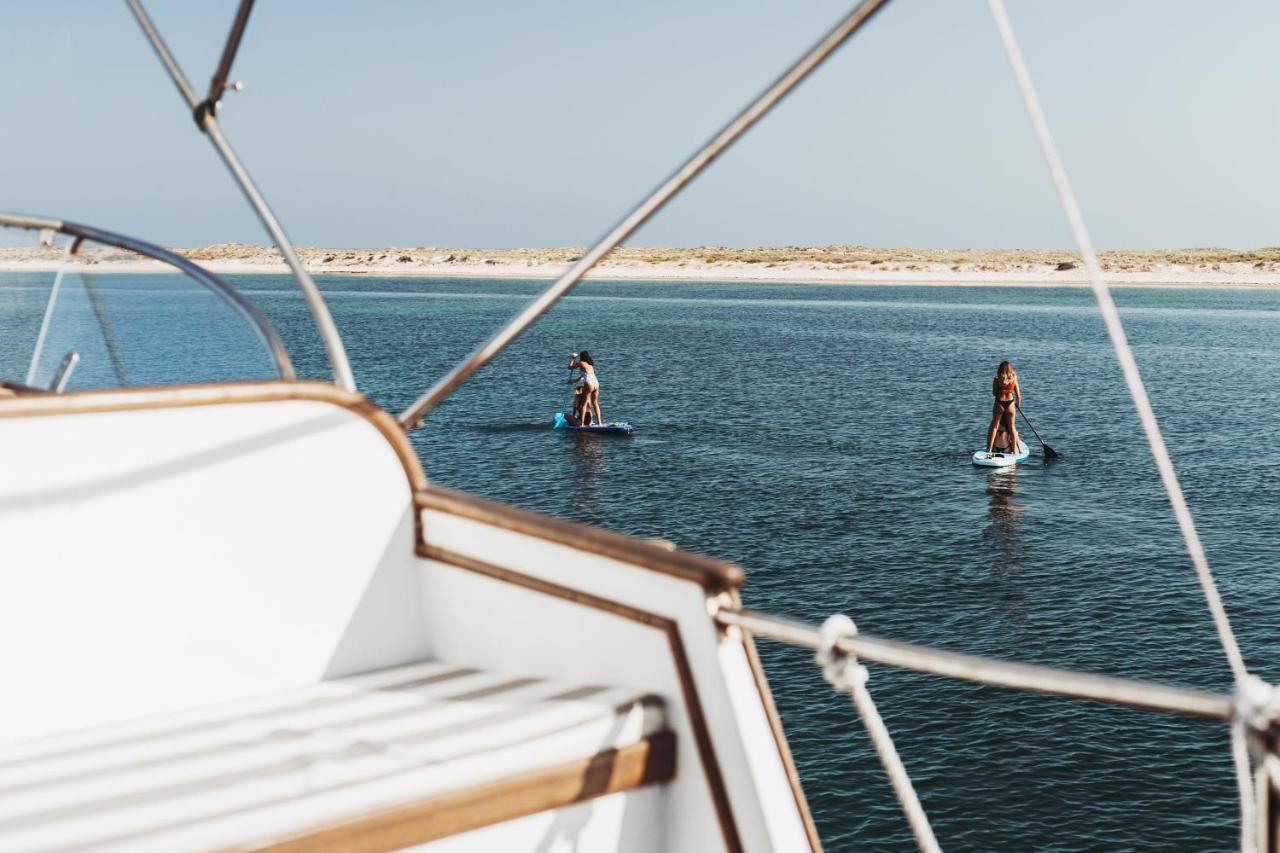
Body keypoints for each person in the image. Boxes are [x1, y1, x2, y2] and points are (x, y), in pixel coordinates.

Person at [985, 361, 1021, 457]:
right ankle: (1014, 450)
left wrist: (1001, 390)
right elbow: (1018, 394)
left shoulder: (997, 379)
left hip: (999, 403)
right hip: (1010, 403)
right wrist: (1018, 403)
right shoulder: (1013, 377)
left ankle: (989, 450)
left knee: (995, 427)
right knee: (1012, 427)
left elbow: (994, 393)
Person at [568, 351, 602, 426]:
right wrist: (574, 381)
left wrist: (573, 358)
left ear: (582, 357)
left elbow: (569, 367)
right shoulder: (590, 365)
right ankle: (600, 423)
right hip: (596, 383)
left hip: (589, 383)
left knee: (584, 404)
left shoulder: (581, 363)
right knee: (595, 403)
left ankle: (582, 424)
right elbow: (584, 376)